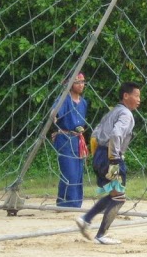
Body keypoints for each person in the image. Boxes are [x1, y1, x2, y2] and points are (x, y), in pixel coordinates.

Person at [75, 81, 141, 244]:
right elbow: (116, 134)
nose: (139, 99)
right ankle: (101, 235)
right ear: (126, 96)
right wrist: (114, 159)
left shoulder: (112, 112)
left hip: (100, 155)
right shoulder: (126, 114)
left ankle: (86, 219)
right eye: (136, 96)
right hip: (111, 158)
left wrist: (98, 156)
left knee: (114, 193)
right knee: (119, 197)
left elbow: (95, 134)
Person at [51, 72, 89, 208]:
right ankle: (65, 202)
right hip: (65, 138)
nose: (81, 85)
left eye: (82, 82)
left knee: (78, 173)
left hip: (78, 139)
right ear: (70, 84)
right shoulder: (64, 99)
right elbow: (55, 113)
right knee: (69, 172)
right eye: (77, 82)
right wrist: (54, 116)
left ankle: (76, 203)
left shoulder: (83, 102)